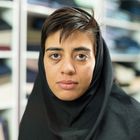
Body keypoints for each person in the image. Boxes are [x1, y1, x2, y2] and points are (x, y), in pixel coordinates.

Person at [18, 7, 140, 140]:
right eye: (55, 55)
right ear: (43, 61)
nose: (67, 68)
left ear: (98, 61)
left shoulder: (132, 124)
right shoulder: (34, 116)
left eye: (81, 56)